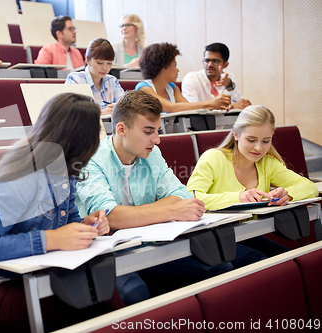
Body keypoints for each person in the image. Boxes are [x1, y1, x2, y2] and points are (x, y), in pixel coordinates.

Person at [76, 90, 267, 304]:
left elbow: (180, 195)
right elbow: (111, 216)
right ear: (121, 129)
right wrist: (170, 211)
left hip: (149, 244)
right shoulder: (90, 159)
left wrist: (138, 215)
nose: (157, 140)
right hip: (108, 253)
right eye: (149, 131)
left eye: (157, 130)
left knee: (220, 268)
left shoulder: (151, 153)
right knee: (133, 292)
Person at [0, 93, 124, 332]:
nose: (101, 139)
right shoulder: (22, 178)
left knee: (101, 293)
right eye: (96, 132)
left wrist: (86, 226)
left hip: (32, 277)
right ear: (78, 139)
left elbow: (67, 219)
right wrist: (53, 239)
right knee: (94, 301)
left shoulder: (65, 170)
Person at [187, 105, 318, 256]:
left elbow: (309, 187)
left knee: (289, 258)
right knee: (264, 262)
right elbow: (191, 196)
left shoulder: (267, 162)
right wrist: (238, 198)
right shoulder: (214, 158)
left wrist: (287, 195)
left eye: (265, 141)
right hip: (212, 237)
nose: (259, 148)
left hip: (246, 234)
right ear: (235, 134)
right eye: (251, 140)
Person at [135, 43, 231, 113]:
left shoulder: (172, 88)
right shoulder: (144, 88)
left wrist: (217, 105)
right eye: (175, 65)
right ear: (164, 67)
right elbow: (171, 108)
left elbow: (190, 108)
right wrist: (211, 103)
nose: (177, 70)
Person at [182, 43, 251, 110]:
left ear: (225, 65)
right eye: (207, 60)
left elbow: (240, 105)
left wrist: (229, 85)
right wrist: (230, 107)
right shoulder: (192, 78)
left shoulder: (229, 77)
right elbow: (192, 109)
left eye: (215, 61)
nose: (210, 65)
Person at [65, 38, 124, 116]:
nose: (105, 68)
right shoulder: (75, 79)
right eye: (100, 63)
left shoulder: (112, 81)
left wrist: (119, 109)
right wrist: (99, 113)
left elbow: (126, 107)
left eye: (109, 63)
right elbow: (69, 111)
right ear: (87, 60)